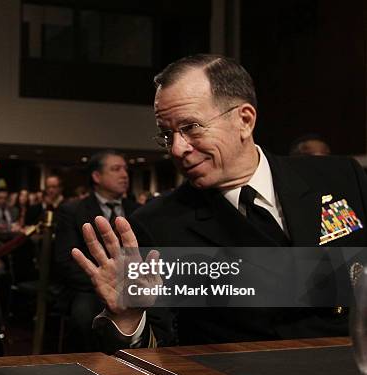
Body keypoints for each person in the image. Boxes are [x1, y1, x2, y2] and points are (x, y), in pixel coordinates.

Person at [71, 54, 367, 350]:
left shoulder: (340, 176)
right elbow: (157, 350)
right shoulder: (157, 225)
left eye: (191, 127)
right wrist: (129, 319)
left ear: (244, 120)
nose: (177, 149)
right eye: (167, 135)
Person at [55, 150, 140, 351]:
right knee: (84, 316)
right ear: (97, 176)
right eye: (116, 169)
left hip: (134, 284)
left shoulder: (138, 210)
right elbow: (65, 261)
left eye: (125, 169)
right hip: (89, 287)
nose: (124, 175)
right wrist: (101, 281)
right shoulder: (73, 211)